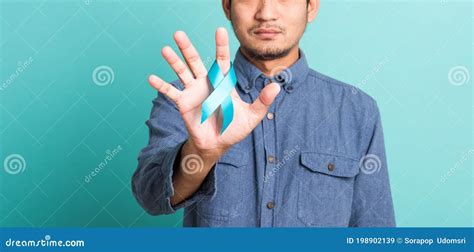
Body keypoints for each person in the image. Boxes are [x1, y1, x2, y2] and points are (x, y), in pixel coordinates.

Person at [132, 0, 395, 227]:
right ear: (227, 6)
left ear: (311, 7)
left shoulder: (356, 110)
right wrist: (200, 154)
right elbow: (151, 197)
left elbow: (374, 233)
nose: (266, 13)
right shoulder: (188, 99)